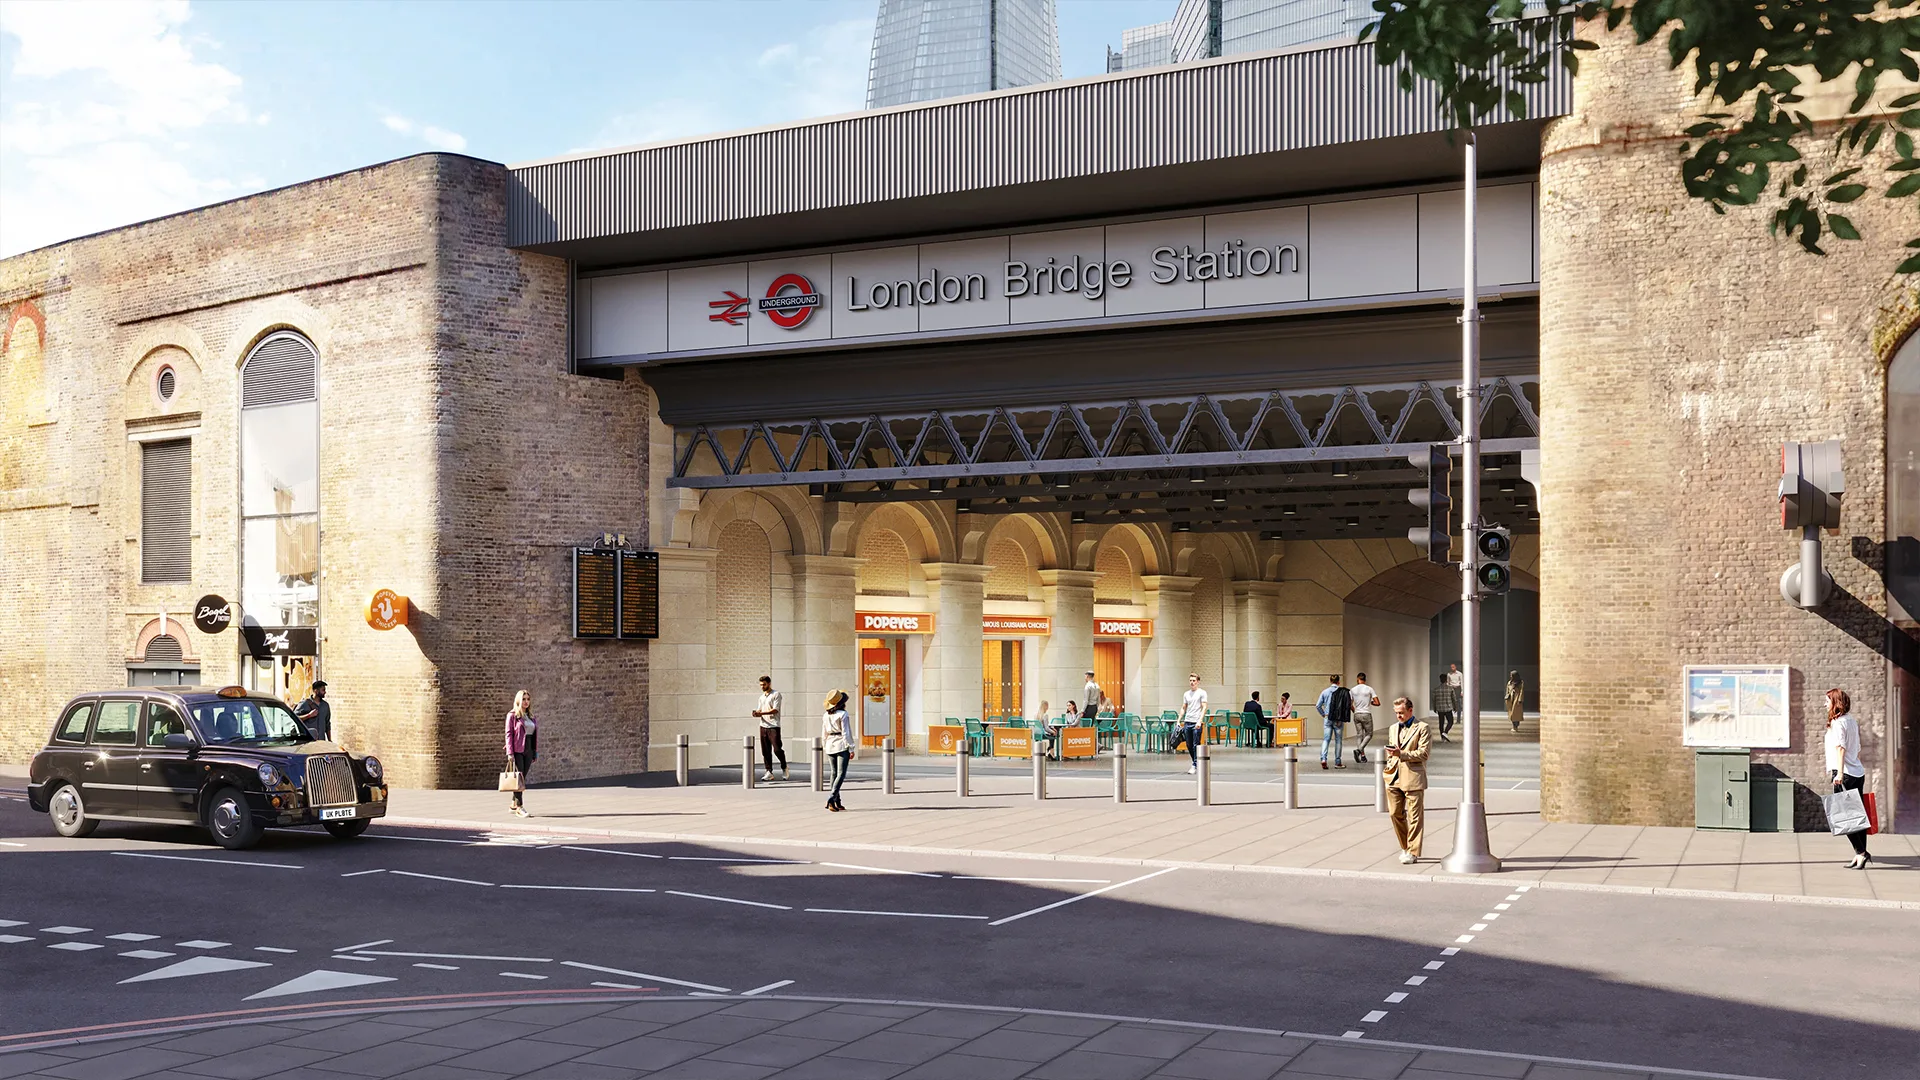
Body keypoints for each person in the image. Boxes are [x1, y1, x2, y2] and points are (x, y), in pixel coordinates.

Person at [1824, 688, 1871, 869]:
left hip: (1844, 774)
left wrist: (1840, 774)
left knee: (1844, 818)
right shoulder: (1851, 721)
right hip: (1857, 772)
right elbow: (1857, 748)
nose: (1825, 704)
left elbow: (1840, 748)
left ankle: (1861, 852)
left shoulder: (1837, 723)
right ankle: (1860, 854)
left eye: (1827, 701)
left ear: (1835, 703)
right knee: (1857, 816)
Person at [1384, 696, 1432, 864]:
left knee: (1415, 816)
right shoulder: (1393, 728)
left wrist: (1401, 754)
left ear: (1411, 710)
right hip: (1393, 776)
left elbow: (1424, 753)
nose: (1399, 716)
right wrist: (1390, 761)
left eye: (1402, 713)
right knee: (1394, 813)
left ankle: (1412, 851)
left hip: (1413, 777)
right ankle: (1405, 846)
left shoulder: (1422, 728)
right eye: (1396, 713)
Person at [502, 690, 538, 818]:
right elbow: (509, 734)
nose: (526, 701)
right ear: (518, 700)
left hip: (528, 749)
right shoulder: (512, 715)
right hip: (517, 749)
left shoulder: (531, 716)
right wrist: (510, 753)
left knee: (521, 779)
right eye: (524, 699)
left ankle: (513, 804)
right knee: (519, 779)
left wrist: (534, 752)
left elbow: (533, 736)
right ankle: (519, 807)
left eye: (528, 699)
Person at [821, 689, 854, 812]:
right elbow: (846, 733)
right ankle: (832, 798)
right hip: (841, 743)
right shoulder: (843, 714)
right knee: (841, 773)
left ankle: (837, 802)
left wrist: (824, 745)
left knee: (833, 773)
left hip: (830, 743)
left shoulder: (826, 715)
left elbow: (823, 732)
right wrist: (851, 747)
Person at [753, 675, 787, 781]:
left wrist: (761, 713)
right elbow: (759, 710)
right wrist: (756, 713)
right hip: (763, 725)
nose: (762, 686)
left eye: (764, 684)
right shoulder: (761, 697)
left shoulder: (776, 694)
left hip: (773, 725)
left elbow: (775, 710)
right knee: (765, 750)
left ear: (769, 683)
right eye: (761, 685)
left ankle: (784, 766)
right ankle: (769, 771)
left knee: (777, 748)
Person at [1175, 673, 1208, 774]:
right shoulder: (1186, 694)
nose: (1192, 682)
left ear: (1198, 682)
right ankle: (1197, 762)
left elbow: (1204, 707)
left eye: (1194, 681)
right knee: (1189, 744)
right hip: (1187, 721)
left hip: (1196, 722)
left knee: (1195, 744)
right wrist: (1179, 720)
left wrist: (1200, 720)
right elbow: (1184, 707)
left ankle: (1194, 764)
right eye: (1190, 681)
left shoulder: (1202, 693)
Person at [1316, 674, 1350, 770]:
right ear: (1339, 682)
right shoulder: (1342, 692)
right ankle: (1338, 762)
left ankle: (1323, 759)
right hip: (1338, 719)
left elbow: (1318, 705)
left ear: (1330, 681)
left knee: (1326, 739)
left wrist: (1323, 714)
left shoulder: (1325, 692)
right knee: (1338, 740)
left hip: (1328, 718)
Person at [1350, 673, 1380, 764]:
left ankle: (1362, 756)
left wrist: (1355, 711)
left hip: (1357, 714)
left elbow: (1349, 704)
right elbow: (1377, 703)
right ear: (1365, 679)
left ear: (1357, 679)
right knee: (1369, 734)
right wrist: (1371, 702)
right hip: (1366, 714)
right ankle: (1359, 750)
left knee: (1359, 735)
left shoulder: (1352, 690)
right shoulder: (1369, 689)